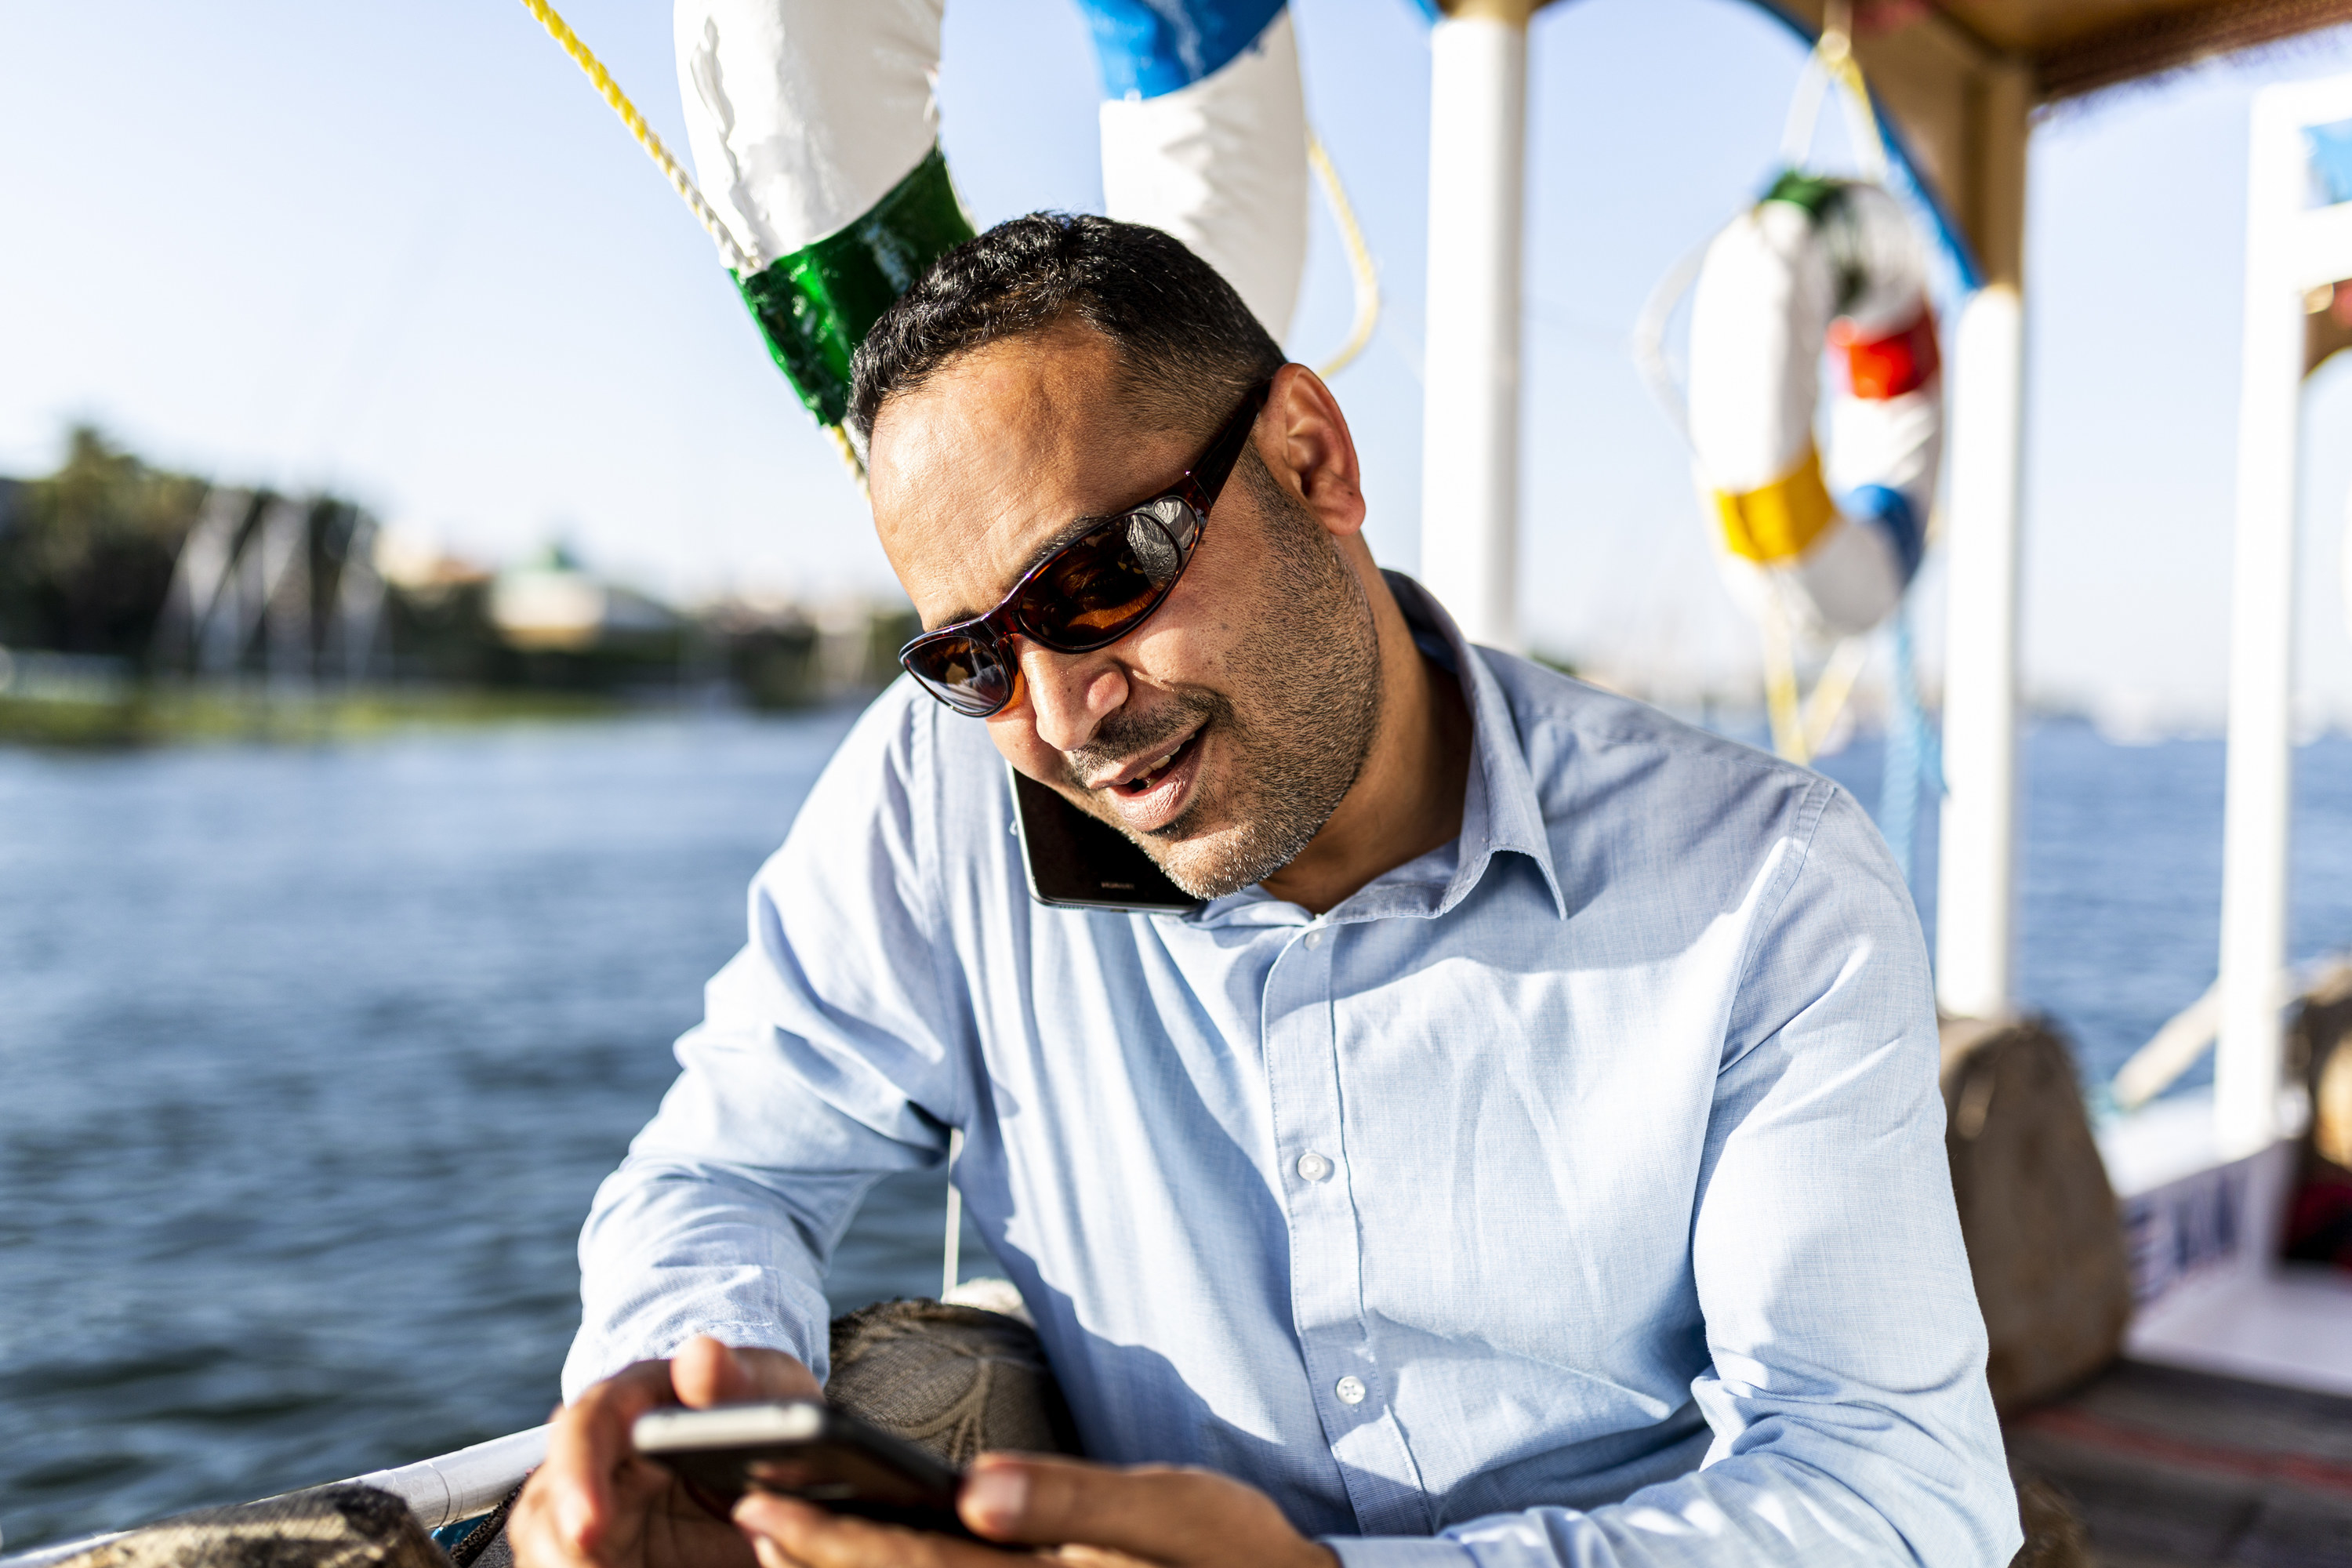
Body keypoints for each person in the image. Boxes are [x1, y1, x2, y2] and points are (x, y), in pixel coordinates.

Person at [508, 212, 2020, 1568]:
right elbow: (726, 1172)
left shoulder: (1767, 883)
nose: (1064, 710)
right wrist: (689, 1381)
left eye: (1098, 581)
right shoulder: (945, 795)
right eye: (971, 657)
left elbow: (1897, 1493)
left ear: (1315, 460)